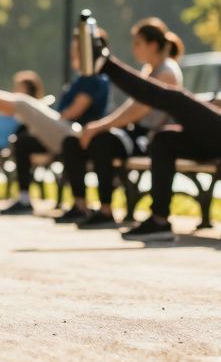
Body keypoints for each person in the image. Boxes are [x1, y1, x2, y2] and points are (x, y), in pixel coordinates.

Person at [82, 0, 221, 242]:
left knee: (177, 99)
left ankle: (107, 65)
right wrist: (218, 116)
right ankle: (159, 220)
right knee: (165, 139)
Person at [0, 31, 110, 215]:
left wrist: (44, 116)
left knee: (22, 102)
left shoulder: (94, 78)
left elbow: (73, 112)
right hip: (62, 133)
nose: (72, 53)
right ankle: (24, 199)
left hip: (75, 133)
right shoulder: (80, 79)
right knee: (23, 141)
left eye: (77, 48)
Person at [57, 18, 184, 228]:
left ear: (152, 45)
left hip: (150, 138)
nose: (134, 49)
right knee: (73, 142)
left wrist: (101, 125)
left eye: (137, 43)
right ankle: (80, 204)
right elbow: (130, 111)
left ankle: (106, 209)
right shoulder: (149, 70)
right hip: (133, 133)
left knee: (102, 141)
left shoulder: (167, 72)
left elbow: (137, 110)